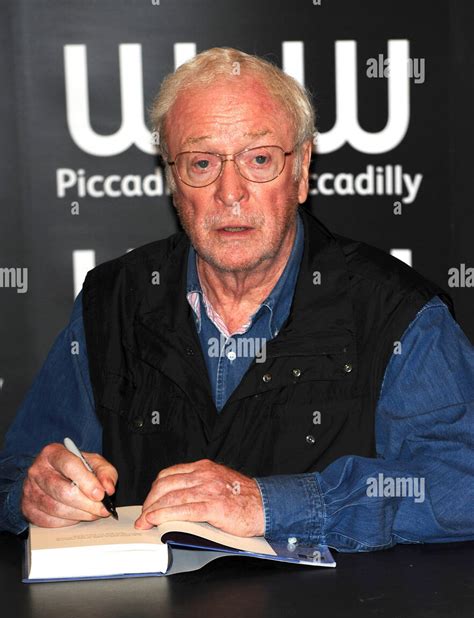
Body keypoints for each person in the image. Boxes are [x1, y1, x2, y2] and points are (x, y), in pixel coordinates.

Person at [1, 47, 473, 552]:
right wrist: (38, 493)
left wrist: (270, 505)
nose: (231, 192)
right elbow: (16, 474)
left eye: (259, 159)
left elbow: (459, 483)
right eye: (202, 162)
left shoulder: (394, 311)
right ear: (172, 178)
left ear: (302, 168)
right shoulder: (111, 301)